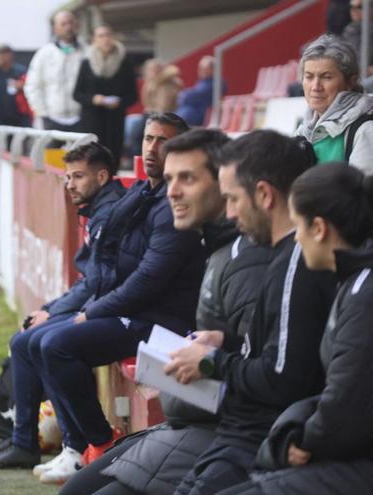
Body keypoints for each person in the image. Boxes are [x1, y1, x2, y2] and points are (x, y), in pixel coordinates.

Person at [58, 129, 273, 495]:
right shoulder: (215, 246)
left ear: (224, 182)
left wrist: (207, 364)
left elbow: (271, 380)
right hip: (188, 425)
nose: (171, 191)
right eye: (170, 178)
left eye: (187, 178)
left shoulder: (247, 262)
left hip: (223, 436)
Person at [164, 130, 336, 495]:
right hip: (243, 437)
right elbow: (285, 347)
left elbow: (282, 377)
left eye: (232, 199)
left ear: (264, 195)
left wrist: (211, 362)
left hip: (255, 441)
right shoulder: (285, 258)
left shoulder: (295, 263)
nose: (228, 213)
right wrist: (227, 341)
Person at [218, 164, 373, 495]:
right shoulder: (353, 283)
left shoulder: (364, 293)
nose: (296, 237)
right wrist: (293, 427)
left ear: (318, 228)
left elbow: (345, 405)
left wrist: (300, 440)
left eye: (298, 225)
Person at [0, 142, 125, 477]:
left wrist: (53, 312)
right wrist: (51, 309)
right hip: (98, 303)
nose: (69, 184)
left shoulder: (110, 212)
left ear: (102, 176)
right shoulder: (99, 208)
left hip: (112, 310)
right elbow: (92, 280)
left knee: (43, 342)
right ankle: (24, 441)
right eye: (68, 176)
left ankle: (76, 445)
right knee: (24, 340)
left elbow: (97, 283)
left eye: (78, 176)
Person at [295, 33, 373, 174]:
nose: (315, 87)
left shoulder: (365, 129)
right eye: (309, 77)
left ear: (350, 82)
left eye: (326, 77)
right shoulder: (303, 129)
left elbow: (363, 187)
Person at [74, 25, 138, 163]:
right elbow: (77, 94)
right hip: (92, 120)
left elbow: (133, 96)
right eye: (101, 36)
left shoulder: (125, 63)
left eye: (108, 35)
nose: (105, 39)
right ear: (94, 40)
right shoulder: (87, 63)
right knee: (91, 159)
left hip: (115, 121)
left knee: (112, 159)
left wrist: (119, 102)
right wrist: (94, 99)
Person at [25, 10, 86, 132]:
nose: (68, 27)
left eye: (70, 23)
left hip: (80, 119)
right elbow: (32, 85)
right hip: (52, 119)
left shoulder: (86, 51)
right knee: (53, 147)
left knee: (82, 145)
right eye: (63, 24)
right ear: (55, 29)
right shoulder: (44, 53)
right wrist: (42, 112)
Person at [126, 59, 183, 158]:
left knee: (137, 132)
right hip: (153, 113)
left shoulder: (167, 83)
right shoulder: (152, 83)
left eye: (154, 69)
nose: (152, 72)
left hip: (165, 115)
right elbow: (146, 102)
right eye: (150, 70)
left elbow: (165, 106)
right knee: (131, 124)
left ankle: (139, 157)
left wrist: (152, 111)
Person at [175, 56, 221, 127]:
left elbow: (190, 97)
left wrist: (184, 95)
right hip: (185, 118)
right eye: (200, 68)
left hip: (197, 120)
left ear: (212, 69)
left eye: (203, 68)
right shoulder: (202, 82)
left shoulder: (216, 83)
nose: (200, 71)